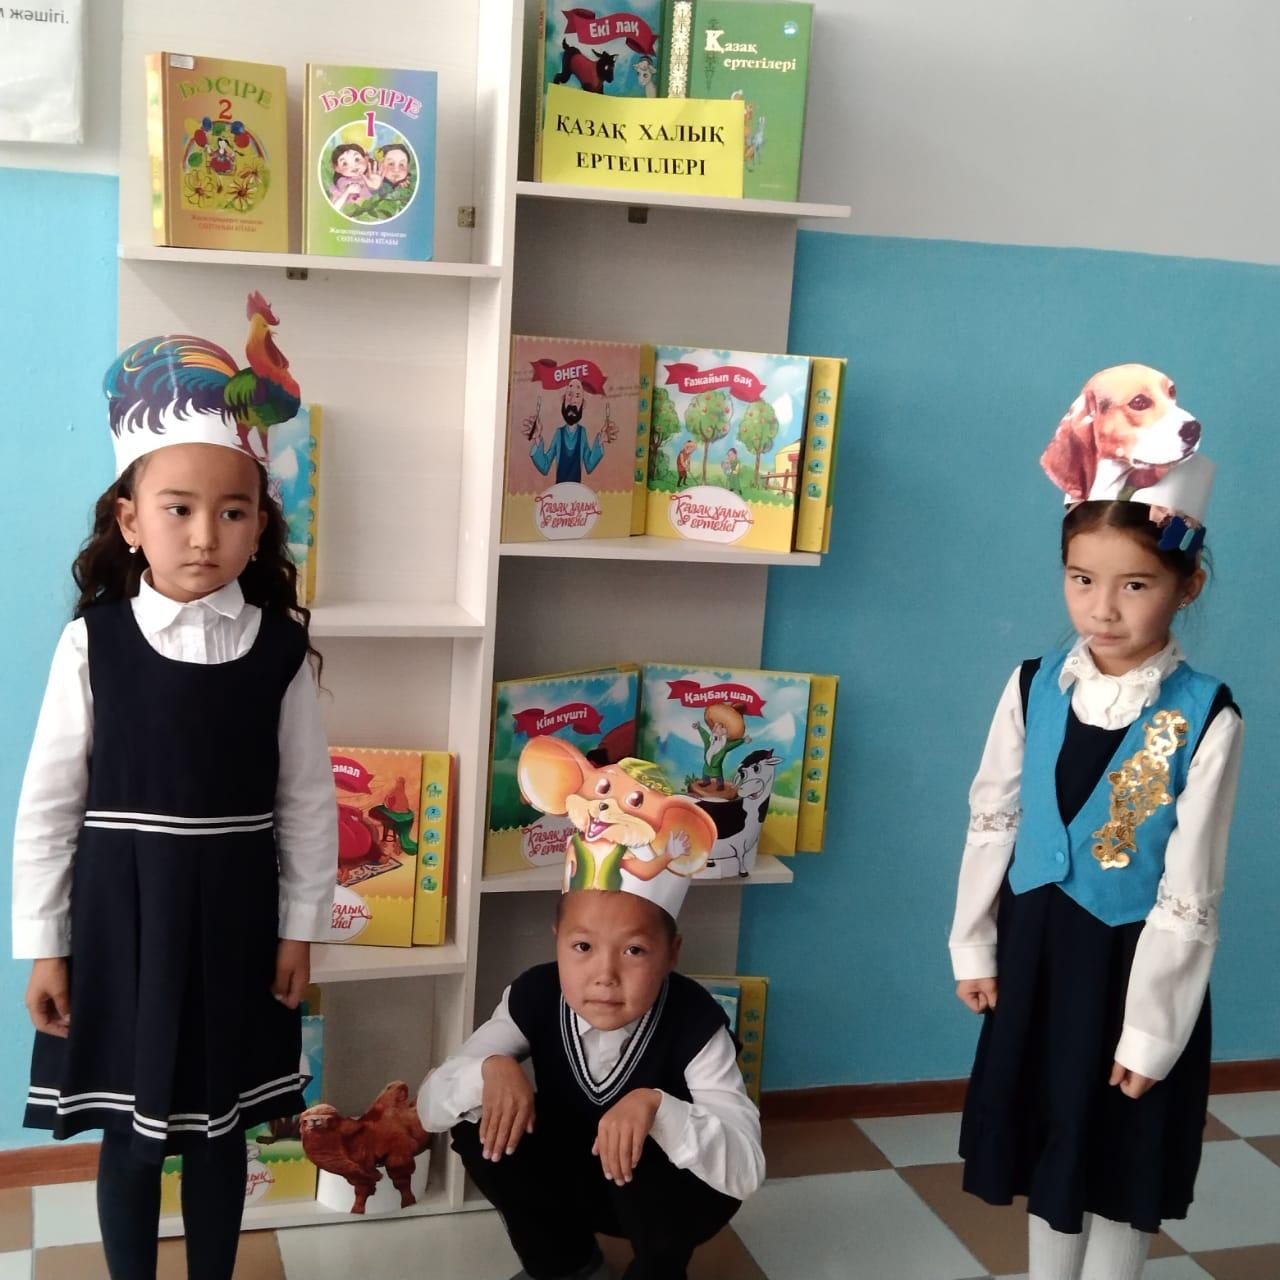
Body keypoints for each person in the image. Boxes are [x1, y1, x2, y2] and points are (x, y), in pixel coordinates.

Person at [15, 311, 338, 1280]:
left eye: (233, 512)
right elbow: (48, 805)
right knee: (131, 1131)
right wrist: (46, 942)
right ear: (130, 519)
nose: (205, 536)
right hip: (123, 920)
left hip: (236, 920)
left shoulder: (280, 649)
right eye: (179, 509)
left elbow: (307, 801)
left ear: (260, 521)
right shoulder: (94, 641)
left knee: (218, 1127)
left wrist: (299, 929)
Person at [950, 365, 1244, 1280]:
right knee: (1048, 1145)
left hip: (1132, 965)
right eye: (1082, 579)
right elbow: (993, 819)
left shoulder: (1207, 715)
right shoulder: (1033, 685)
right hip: (1038, 952)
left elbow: (1192, 886)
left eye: (1135, 585)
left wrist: (1154, 1028)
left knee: (1121, 1154)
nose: (1102, 609)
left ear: (1187, 587)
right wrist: (975, 943)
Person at [418, 755, 764, 1280]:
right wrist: (489, 1069)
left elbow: (746, 1169)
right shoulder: (534, 996)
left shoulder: (696, 1022)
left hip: (663, 1196)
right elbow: (430, 1108)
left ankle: (658, 1272)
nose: (604, 975)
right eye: (582, 947)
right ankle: (568, 1265)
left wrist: (658, 1110)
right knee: (475, 1120)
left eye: (634, 951)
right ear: (557, 941)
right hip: (572, 1182)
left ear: (671, 955)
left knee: (648, 1136)